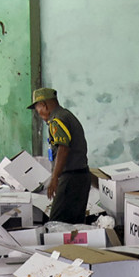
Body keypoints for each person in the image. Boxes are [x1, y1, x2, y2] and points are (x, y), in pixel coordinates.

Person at [28, 87, 92, 224]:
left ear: (43, 105)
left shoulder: (56, 120)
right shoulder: (66, 115)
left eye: (38, 109)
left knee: (56, 223)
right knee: (74, 224)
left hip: (70, 178)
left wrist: (55, 178)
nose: (38, 114)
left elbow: (63, 149)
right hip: (81, 177)